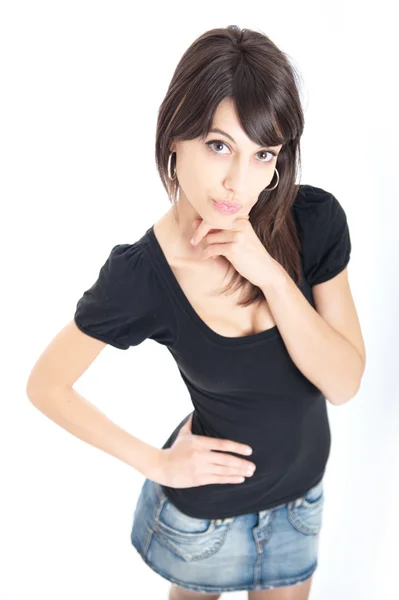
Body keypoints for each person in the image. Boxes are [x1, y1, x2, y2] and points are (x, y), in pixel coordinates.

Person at [26, 25, 366, 600]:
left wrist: (271, 277)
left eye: (263, 155)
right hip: (202, 525)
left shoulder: (314, 222)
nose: (240, 183)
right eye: (218, 146)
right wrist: (159, 464)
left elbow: (344, 383)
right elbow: (46, 385)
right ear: (175, 140)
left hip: (300, 506)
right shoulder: (141, 276)